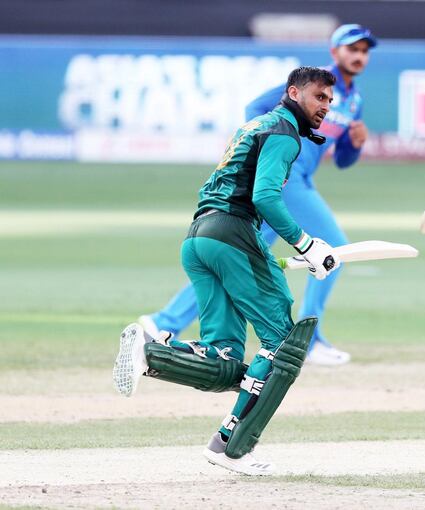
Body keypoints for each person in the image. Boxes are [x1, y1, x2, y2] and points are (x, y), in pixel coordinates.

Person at [112, 66, 341, 475]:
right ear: (294, 92)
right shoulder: (284, 133)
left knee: (224, 358)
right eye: (318, 97)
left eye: (329, 100)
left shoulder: (258, 124)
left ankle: (148, 350)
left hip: (200, 236)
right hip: (232, 232)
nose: (325, 106)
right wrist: (306, 243)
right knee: (283, 344)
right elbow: (266, 197)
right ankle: (232, 446)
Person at [138, 24, 377, 366]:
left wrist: (356, 144)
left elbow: (342, 160)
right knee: (333, 249)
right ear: (334, 51)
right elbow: (255, 109)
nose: (358, 56)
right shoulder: (309, 86)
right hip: (283, 181)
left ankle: (163, 323)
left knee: (237, 257)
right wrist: (267, 153)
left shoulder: (353, 100)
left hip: (296, 181)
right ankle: (309, 339)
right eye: (352, 48)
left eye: (365, 50)